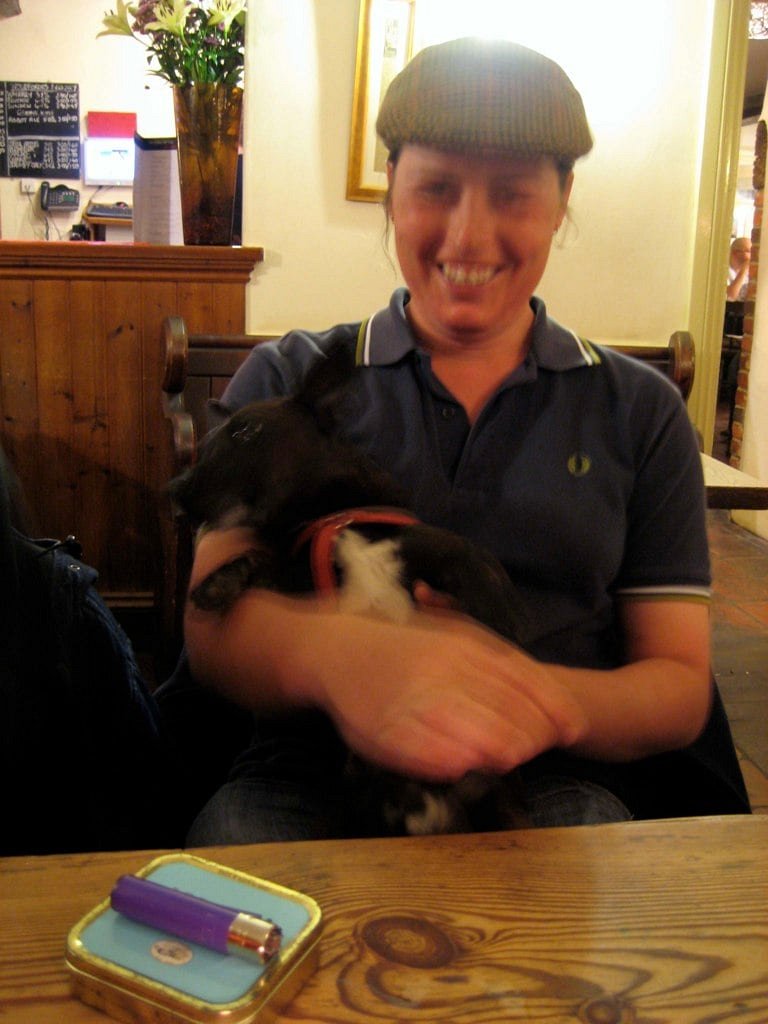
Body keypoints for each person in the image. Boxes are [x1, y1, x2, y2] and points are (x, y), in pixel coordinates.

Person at [176, 37, 749, 845]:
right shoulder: (288, 378)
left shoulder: (639, 410)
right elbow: (210, 626)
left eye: (512, 194)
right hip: (305, 774)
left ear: (563, 199)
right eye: (437, 188)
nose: (469, 236)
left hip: (545, 781)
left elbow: (679, 685)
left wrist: (532, 702)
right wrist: (342, 659)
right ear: (392, 189)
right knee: (235, 858)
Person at [726, 236, 751, 301]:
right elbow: (730, 296)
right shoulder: (724, 271)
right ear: (735, 253)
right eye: (749, 251)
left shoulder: (749, 272)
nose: (752, 255)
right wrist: (743, 270)